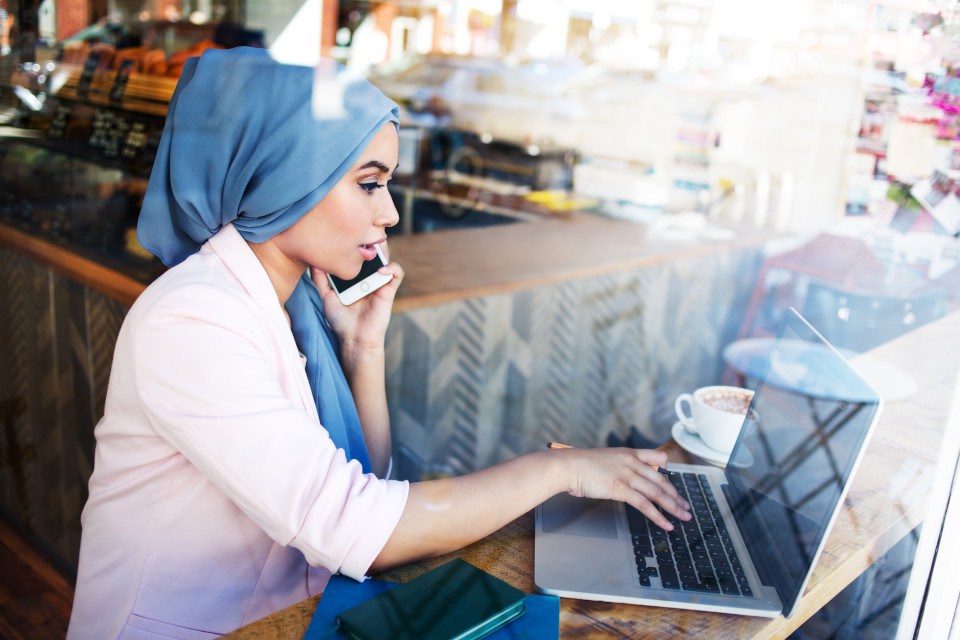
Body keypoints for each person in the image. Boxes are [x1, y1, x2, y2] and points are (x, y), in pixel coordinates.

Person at [66, 47, 691, 639]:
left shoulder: (292, 306)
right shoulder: (194, 320)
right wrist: (562, 468)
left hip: (284, 618)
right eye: (369, 183)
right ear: (286, 178)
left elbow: (365, 482)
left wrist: (364, 354)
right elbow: (362, 527)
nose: (389, 213)